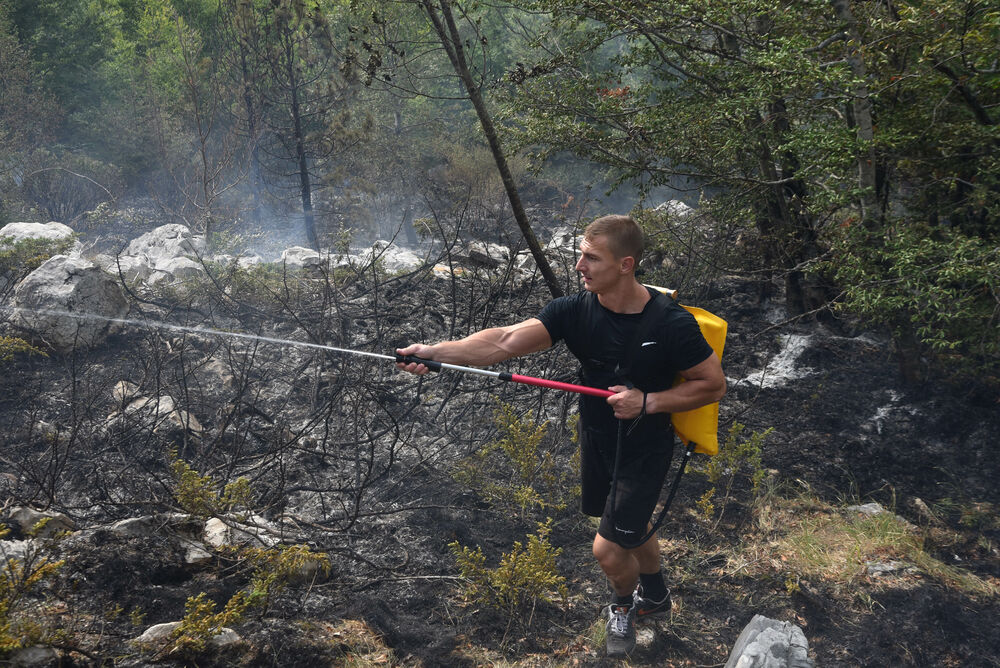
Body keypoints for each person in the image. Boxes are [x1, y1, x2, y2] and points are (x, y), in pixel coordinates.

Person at [396, 214, 726, 657]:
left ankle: (623, 605)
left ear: (626, 264)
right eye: (580, 254)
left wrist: (648, 401)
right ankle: (657, 592)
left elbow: (712, 385)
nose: (579, 265)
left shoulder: (671, 323)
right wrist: (435, 352)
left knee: (608, 550)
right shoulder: (574, 310)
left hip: (644, 446)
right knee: (628, 522)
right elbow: (504, 341)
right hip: (597, 436)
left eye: (592, 257)